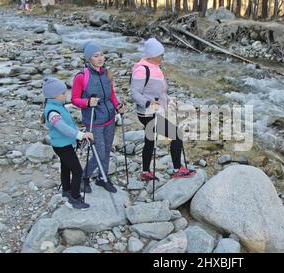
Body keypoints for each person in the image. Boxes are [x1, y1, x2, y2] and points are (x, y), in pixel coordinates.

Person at [130, 38, 196, 181]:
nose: (163, 57)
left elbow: (159, 93)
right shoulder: (142, 70)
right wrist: (148, 104)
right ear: (152, 55)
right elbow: (134, 93)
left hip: (154, 111)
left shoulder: (155, 68)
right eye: (161, 55)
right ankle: (177, 169)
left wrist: (169, 100)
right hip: (147, 113)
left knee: (150, 140)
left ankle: (145, 172)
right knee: (177, 135)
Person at [71, 41, 124, 193]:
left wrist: (117, 105)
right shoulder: (81, 77)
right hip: (94, 121)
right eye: (96, 56)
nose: (100, 58)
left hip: (109, 118)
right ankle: (83, 177)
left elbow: (111, 94)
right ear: (89, 59)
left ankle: (102, 177)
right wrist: (87, 102)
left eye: (101, 55)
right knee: (99, 153)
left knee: (107, 150)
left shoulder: (107, 73)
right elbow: (74, 99)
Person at [42, 77, 93, 210]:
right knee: (77, 171)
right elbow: (61, 127)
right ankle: (74, 199)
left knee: (65, 167)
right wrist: (80, 135)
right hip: (62, 146)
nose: (66, 95)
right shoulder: (52, 111)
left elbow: (69, 123)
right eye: (63, 93)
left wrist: (78, 134)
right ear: (54, 96)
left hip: (65, 144)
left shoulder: (58, 106)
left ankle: (66, 190)